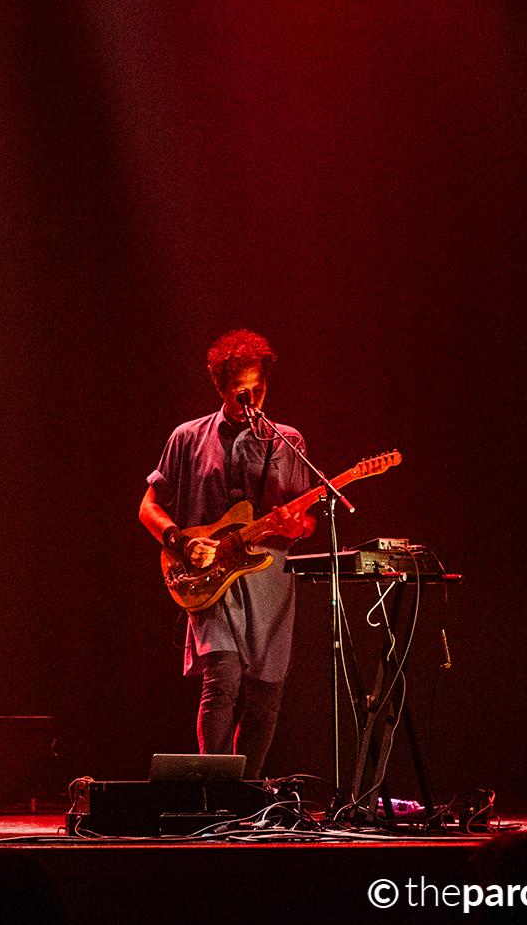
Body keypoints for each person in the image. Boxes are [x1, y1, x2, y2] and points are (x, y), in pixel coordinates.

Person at [138, 330, 316, 778]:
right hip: (209, 578)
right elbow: (148, 506)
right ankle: (212, 791)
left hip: (270, 582)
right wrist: (180, 541)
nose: (251, 399)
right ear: (221, 387)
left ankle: (244, 793)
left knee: (265, 698)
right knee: (222, 682)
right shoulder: (187, 436)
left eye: (259, 388)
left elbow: (306, 520)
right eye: (241, 390)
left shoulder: (288, 441)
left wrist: (297, 527)